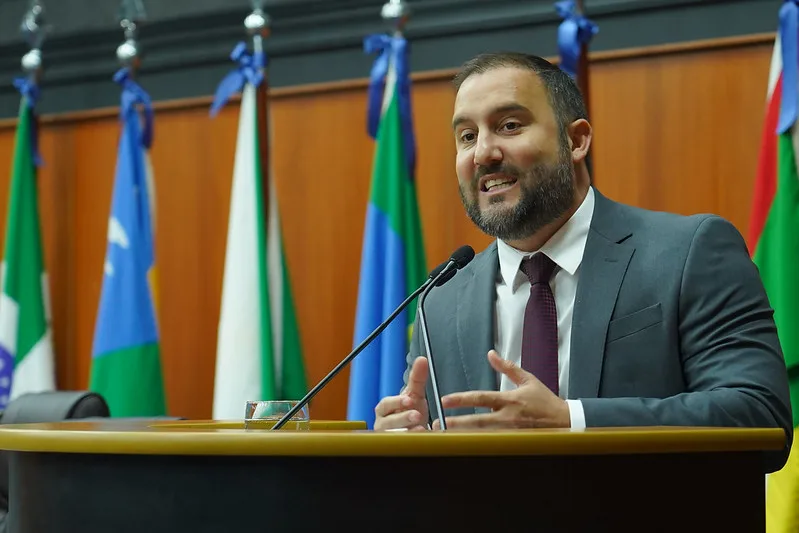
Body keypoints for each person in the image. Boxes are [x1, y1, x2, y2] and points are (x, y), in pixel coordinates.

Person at [373, 52, 793, 472]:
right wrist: (404, 442)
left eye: (509, 126)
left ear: (576, 141)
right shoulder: (441, 304)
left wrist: (572, 420)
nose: (483, 152)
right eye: (466, 135)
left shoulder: (690, 252)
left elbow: (760, 414)